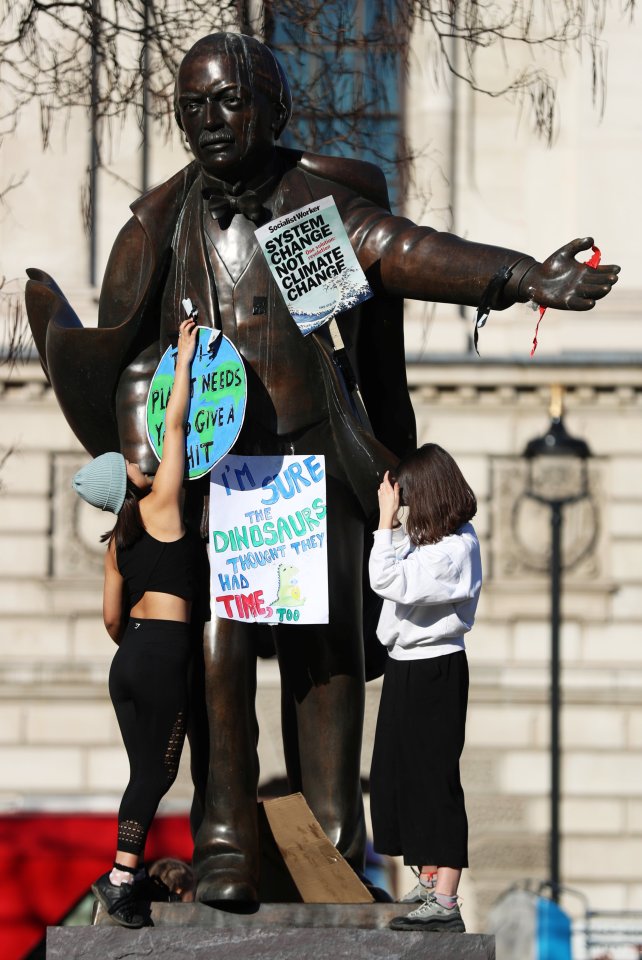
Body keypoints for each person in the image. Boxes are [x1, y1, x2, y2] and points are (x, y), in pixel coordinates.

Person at [24, 32, 620, 905]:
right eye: (194, 104)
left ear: (275, 109)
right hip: (219, 484)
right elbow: (129, 364)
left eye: (229, 100)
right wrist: (147, 470)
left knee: (325, 660)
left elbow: (408, 252)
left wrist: (522, 277)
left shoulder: (314, 212)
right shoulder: (158, 223)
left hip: (310, 467)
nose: (212, 120)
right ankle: (226, 842)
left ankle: (330, 848)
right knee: (218, 656)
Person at [71, 317, 200, 928]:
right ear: (126, 475)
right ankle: (121, 878)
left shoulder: (118, 539)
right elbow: (174, 423)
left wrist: (138, 645)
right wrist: (186, 353)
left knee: (149, 769)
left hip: (129, 661)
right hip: (164, 654)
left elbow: (109, 618)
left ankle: (120, 873)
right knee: (156, 771)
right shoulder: (164, 504)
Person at [368, 444, 482, 933]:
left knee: (436, 782)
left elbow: (386, 578)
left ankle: (447, 900)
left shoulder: (458, 548)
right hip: (404, 665)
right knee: (396, 779)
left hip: (435, 668)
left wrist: (384, 521)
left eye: (410, 497)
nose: (405, 506)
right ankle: (429, 876)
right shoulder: (428, 540)